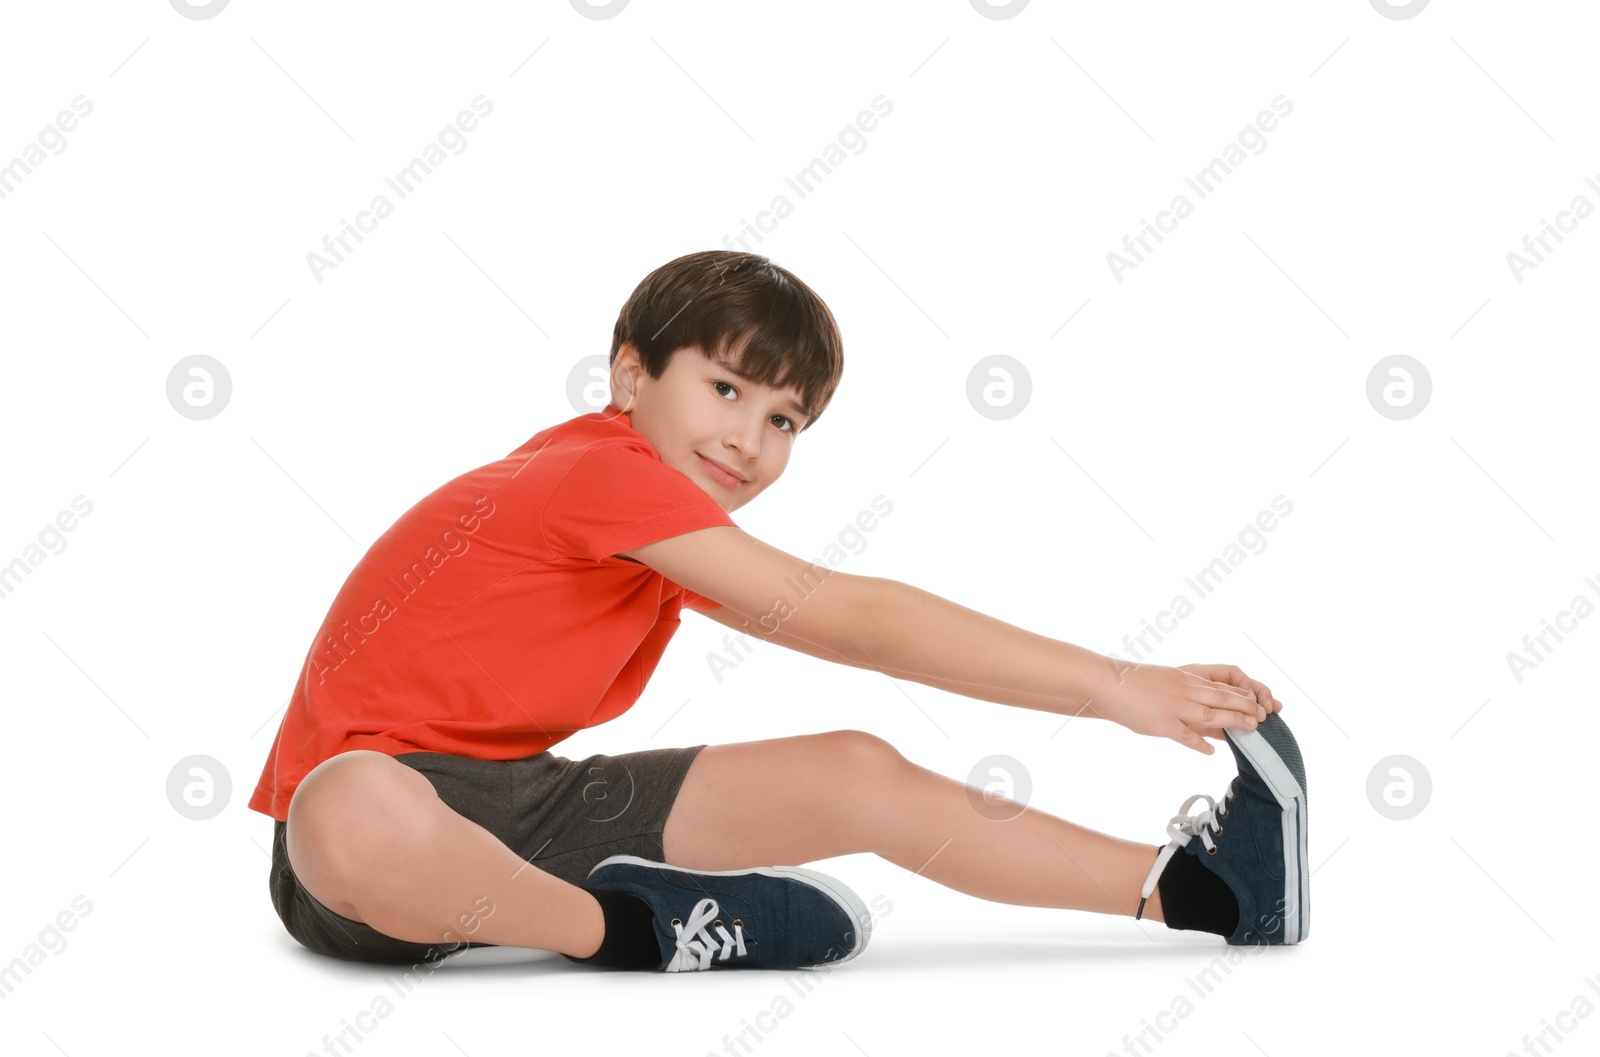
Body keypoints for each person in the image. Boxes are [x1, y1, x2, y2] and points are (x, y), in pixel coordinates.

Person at [252, 249, 1309, 974]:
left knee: (854, 766)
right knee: (345, 800)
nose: (750, 441)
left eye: (784, 418)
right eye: (723, 389)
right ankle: (627, 931)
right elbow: (854, 617)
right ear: (630, 377)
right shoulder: (595, 477)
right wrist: (1117, 686)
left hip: (527, 809)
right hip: (362, 858)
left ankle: (1206, 894)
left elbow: (857, 634)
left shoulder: (651, 525)